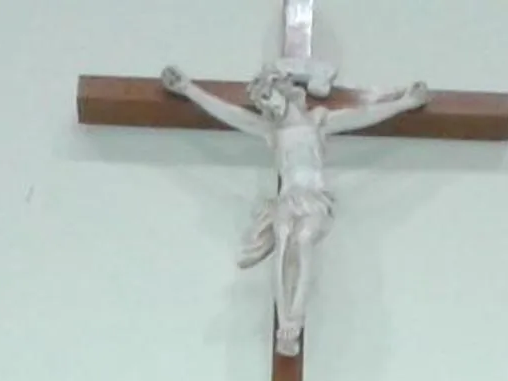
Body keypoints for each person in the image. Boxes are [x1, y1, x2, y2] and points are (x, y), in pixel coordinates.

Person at [160, 64, 431, 355]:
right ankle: (285, 321)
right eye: (261, 101)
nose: (266, 105)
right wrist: (188, 88)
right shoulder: (271, 132)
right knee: (284, 238)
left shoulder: (317, 122)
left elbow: (362, 116)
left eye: (269, 96)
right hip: (287, 200)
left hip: (314, 198)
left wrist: (405, 103)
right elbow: (229, 113)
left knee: (303, 240)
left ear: (284, 91)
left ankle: (296, 315)